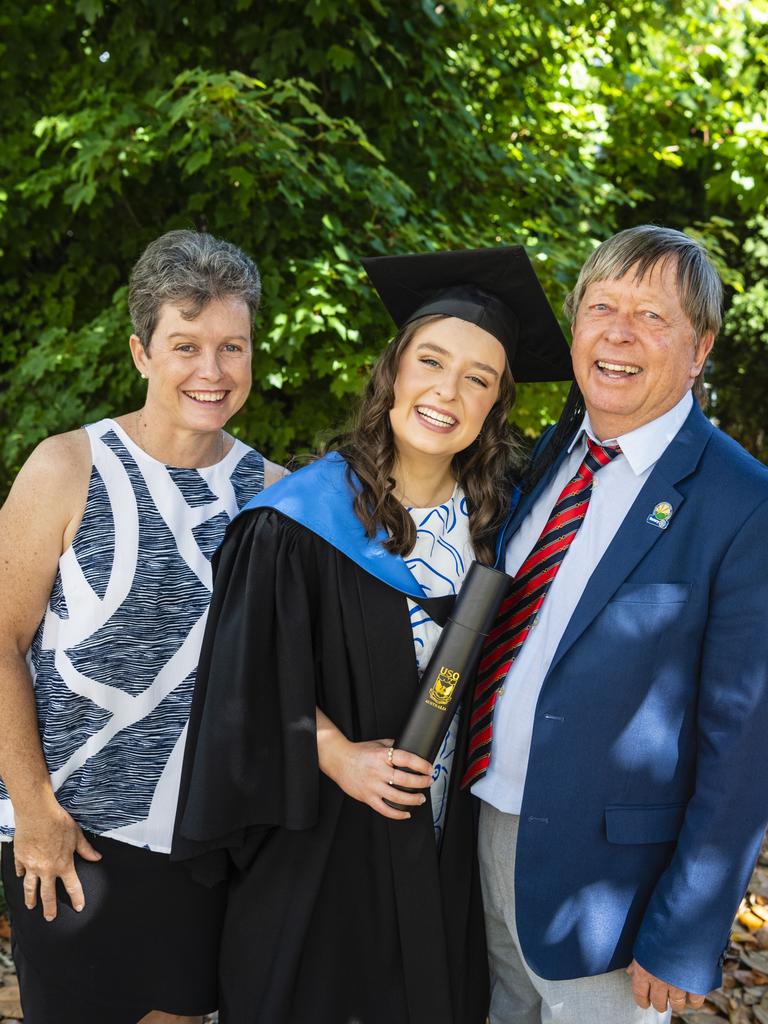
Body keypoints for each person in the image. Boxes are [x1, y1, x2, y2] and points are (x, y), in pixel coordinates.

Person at [171, 246, 574, 1024]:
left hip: (448, 847)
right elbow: (236, 685)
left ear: (496, 405)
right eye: (431, 361)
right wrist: (334, 754)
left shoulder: (507, 528)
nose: (448, 392)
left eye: (479, 378)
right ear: (393, 371)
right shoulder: (297, 521)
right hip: (323, 852)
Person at [466, 224, 768, 1024]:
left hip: (610, 896)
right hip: (481, 833)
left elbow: (744, 747)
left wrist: (686, 931)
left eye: (653, 316)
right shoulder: (548, 458)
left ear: (699, 350)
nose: (619, 333)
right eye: (601, 307)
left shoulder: (744, 503)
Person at [0, 229, 285, 1024]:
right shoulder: (67, 467)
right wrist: (34, 811)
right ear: (140, 352)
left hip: (203, 844)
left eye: (232, 346)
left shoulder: (274, 493)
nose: (212, 370)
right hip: (72, 833)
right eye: (185, 345)